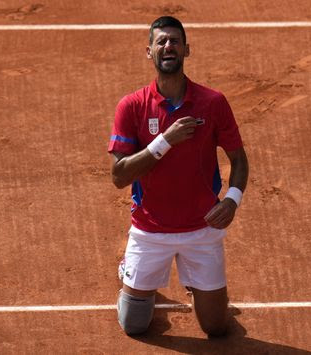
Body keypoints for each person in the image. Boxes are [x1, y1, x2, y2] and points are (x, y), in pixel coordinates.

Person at [108, 16, 249, 337]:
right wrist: (164, 141)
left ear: (187, 50)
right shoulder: (131, 106)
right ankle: (129, 273)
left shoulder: (213, 103)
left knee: (216, 327)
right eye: (161, 42)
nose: (168, 46)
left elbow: (239, 159)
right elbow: (119, 176)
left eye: (174, 41)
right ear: (149, 52)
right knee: (134, 324)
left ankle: (197, 287)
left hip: (203, 229)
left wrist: (232, 200)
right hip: (149, 231)